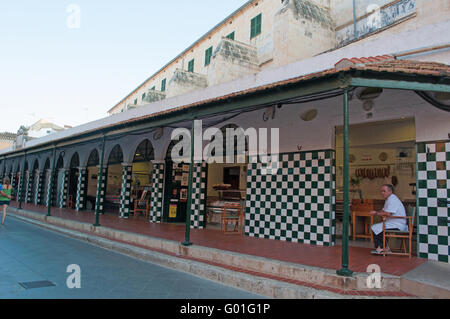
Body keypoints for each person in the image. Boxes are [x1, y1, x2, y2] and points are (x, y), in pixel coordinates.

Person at [368, 184, 407, 255]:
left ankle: (382, 248)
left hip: (397, 224)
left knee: (375, 228)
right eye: (381, 191)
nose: (382, 193)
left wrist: (376, 213)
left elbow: (388, 213)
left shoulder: (393, 199)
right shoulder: (389, 199)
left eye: (384, 191)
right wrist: (376, 212)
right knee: (377, 227)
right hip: (393, 222)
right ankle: (384, 247)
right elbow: (383, 211)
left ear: (390, 191)